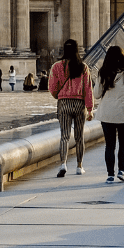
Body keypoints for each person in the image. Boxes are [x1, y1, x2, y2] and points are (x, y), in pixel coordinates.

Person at [47, 39, 94, 177]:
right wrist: (90, 108)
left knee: (64, 136)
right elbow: (88, 89)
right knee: (80, 137)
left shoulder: (56, 66)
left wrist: (59, 96)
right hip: (79, 104)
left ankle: (63, 164)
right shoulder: (83, 67)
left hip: (64, 103)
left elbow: (52, 87)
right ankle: (79, 166)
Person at [93, 45, 124, 183]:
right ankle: (122, 170)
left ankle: (110, 174)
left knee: (110, 145)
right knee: (123, 143)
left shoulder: (102, 73)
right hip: (123, 112)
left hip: (107, 113)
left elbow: (96, 94)